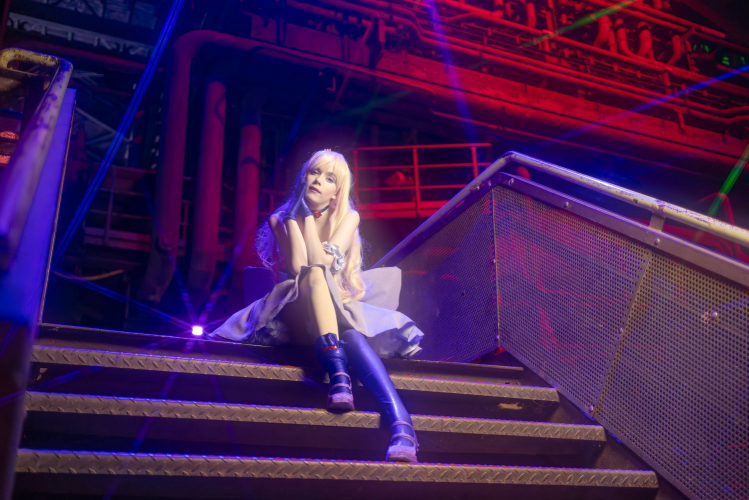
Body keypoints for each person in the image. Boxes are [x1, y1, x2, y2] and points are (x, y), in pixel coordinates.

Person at [211, 149, 424, 463]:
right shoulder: (281, 219)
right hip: (295, 311)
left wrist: (309, 218)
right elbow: (301, 267)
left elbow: (323, 262)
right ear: (303, 177)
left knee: (352, 337)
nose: (318, 180)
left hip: (336, 313)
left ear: (337, 192)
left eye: (329, 178)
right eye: (314, 172)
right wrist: (302, 217)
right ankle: (342, 377)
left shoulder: (349, 217)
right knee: (312, 276)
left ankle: (400, 424)